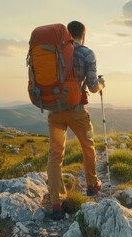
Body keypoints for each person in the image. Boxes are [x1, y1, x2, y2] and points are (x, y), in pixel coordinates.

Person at [47, 20, 105, 220]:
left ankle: (56, 203)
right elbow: (92, 86)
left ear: (67, 35)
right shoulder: (87, 53)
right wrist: (102, 84)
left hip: (54, 110)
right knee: (88, 146)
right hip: (77, 111)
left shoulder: (54, 52)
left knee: (55, 155)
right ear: (84, 35)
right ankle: (91, 184)